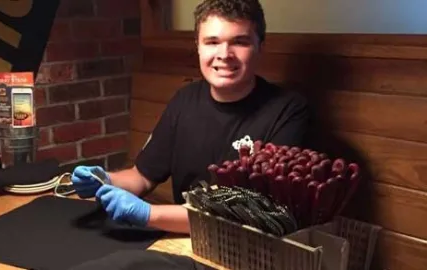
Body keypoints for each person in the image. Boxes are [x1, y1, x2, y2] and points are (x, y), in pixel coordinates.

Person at [72, 0, 310, 234]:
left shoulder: (288, 111)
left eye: (240, 42)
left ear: (260, 46)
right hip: (183, 239)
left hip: (242, 247)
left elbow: (256, 215)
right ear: (197, 46)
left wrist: (149, 215)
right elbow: (142, 177)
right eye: (212, 42)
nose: (224, 54)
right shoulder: (185, 100)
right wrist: (105, 180)